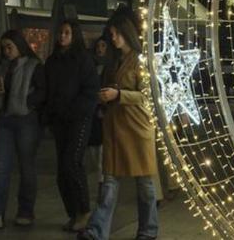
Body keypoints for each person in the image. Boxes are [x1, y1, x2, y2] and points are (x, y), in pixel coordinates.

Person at [80, 16, 158, 240]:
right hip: (115, 127)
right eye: (110, 33)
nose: (112, 37)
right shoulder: (113, 62)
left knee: (144, 184)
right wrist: (105, 98)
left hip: (137, 127)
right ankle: (96, 231)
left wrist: (119, 95)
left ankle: (148, 230)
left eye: (115, 33)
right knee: (109, 183)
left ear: (126, 33)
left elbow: (147, 95)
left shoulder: (140, 61)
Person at [0, 30, 46, 229]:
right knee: (1, 167)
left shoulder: (34, 66)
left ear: (19, 45)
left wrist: (29, 102)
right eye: (4, 48)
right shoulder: (3, 67)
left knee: (26, 167)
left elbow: (43, 91)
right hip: (5, 119)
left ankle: (25, 211)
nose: (6, 51)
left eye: (9, 47)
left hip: (26, 119)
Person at [43, 18, 100, 232]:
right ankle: (72, 212)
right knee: (62, 170)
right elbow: (49, 91)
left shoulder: (83, 60)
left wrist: (76, 110)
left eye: (67, 32)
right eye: (60, 32)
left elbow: (90, 90)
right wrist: (48, 115)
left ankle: (84, 211)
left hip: (79, 119)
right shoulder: (53, 61)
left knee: (72, 162)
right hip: (59, 121)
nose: (62, 36)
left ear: (74, 35)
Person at [86, 32, 115, 186]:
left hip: (104, 111)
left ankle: (103, 180)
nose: (100, 49)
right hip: (92, 111)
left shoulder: (111, 67)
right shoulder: (92, 66)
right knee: (93, 148)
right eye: (98, 46)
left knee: (103, 150)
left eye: (103, 46)